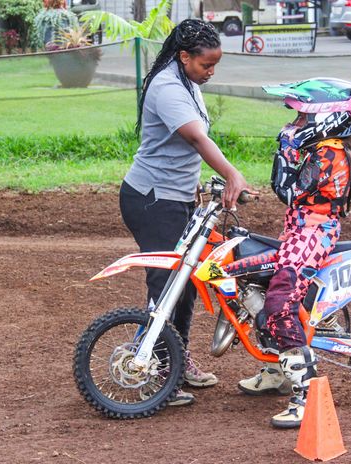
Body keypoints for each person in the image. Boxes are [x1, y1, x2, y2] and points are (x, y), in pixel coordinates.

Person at [119, 19, 254, 407]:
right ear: (183, 56)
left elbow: (186, 144)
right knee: (165, 285)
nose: (210, 72)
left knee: (188, 283)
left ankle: (173, 361)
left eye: (214, 66)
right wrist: (230, 173)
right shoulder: (166, 86)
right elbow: (196, 137)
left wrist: (199, 185)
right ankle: (152, 368)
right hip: (151, 199)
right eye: (205, 65)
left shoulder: (188, 83)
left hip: (176, 197)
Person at [237, 78, 351, 428]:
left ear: (324, 119)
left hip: (313, 232)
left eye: (300, 119)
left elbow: (288, 190)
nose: (293, 125)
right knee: (259, 286)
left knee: (280, 305)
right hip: (301, 229)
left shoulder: (330, 153)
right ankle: (277, 371)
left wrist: (284, 151)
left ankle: (306, 395)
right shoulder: (325, 148)